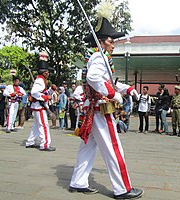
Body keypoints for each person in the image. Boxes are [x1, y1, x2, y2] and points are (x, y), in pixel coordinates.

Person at [69, 2, 143, 199]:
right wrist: (113, 95)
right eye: (111, 41)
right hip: (101, 110)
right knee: (113, 147)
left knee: (87, 148)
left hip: (93, 110)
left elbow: (107, 82)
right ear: (102, 42)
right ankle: (122, 189)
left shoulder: (99, 58)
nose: (113, 44)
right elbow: (94, 79)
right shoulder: (99, 58)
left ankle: (78, 181)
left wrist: (127, 89)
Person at [25, 56, 56, 151]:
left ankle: (30, 142)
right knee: (44, 125)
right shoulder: (40, 81)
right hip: (39, 106)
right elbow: (35, 93)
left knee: (36, 125)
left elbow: (43, 92)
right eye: (47, 71)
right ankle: (45, 144)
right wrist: (47, 97)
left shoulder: (41, 80)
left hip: (38, 106)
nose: (48, 73)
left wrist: (51, 90)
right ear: (44, 72)